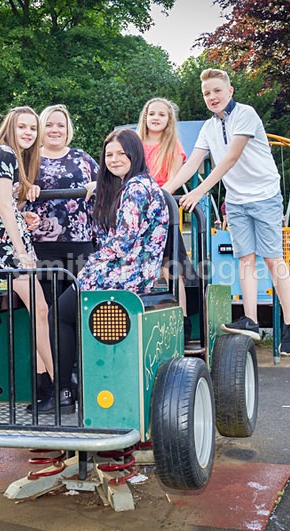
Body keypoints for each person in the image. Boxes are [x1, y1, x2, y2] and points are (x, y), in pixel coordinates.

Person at [165, 68, 290, 355]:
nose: (212, 97)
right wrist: (163, 191)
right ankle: (250, 319)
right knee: (245, 259)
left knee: (272, 257)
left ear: (229, 91)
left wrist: (200, 191)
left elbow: (231, 156)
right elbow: (191, 164)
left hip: (264, 196)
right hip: (237, 200)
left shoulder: (246, 114)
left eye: (216, 90)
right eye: (206, 93)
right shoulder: (209, 127)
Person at [39, 128, 169, 414]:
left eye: (121, 153)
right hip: (127, 268)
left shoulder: (136, 189)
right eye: (109, 154)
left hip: (126, 271)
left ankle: (63, 390)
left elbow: (122, 243)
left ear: (134, 154)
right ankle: (76, 382)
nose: (114, 159)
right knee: (68, 311)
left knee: (58, 313)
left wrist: (88, 270)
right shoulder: (128, 186)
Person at [0, 106, 56, 395]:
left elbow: (5, 206)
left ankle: (42, 380)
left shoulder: (2, 155)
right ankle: (56, 384)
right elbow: (3, 208)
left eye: (33, 129)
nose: (28, 133)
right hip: (5, 245)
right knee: (41, 309)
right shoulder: (4, 154)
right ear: (11, 127)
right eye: (22, 127)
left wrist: (25, 218)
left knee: (36, 311)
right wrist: (22, 253)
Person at [23, 104, 98, 305]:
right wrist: (26, 188)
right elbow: (12, 193)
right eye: (49, 125)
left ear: (68, 129)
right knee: (49, 305)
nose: (55, 130)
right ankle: (50, 338)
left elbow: (110, 182)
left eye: (60, 125)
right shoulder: (29, 158)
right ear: (40, 129)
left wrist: (95, 184)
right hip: (42, 244)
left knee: (82, 302)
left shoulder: (81, 157)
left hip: (79, 242)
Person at [137, 97, 195, 341]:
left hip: (161, 208)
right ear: (145, 116)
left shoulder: (173, 147)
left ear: (169, 120)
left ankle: (180, 320)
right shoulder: (136, 144)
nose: (156, 118)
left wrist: (156, 198)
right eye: (152, 113)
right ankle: (141, 315)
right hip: (137, 210)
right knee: (139, 266)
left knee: (171, 267)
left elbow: (172, 181)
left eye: (162, 114)